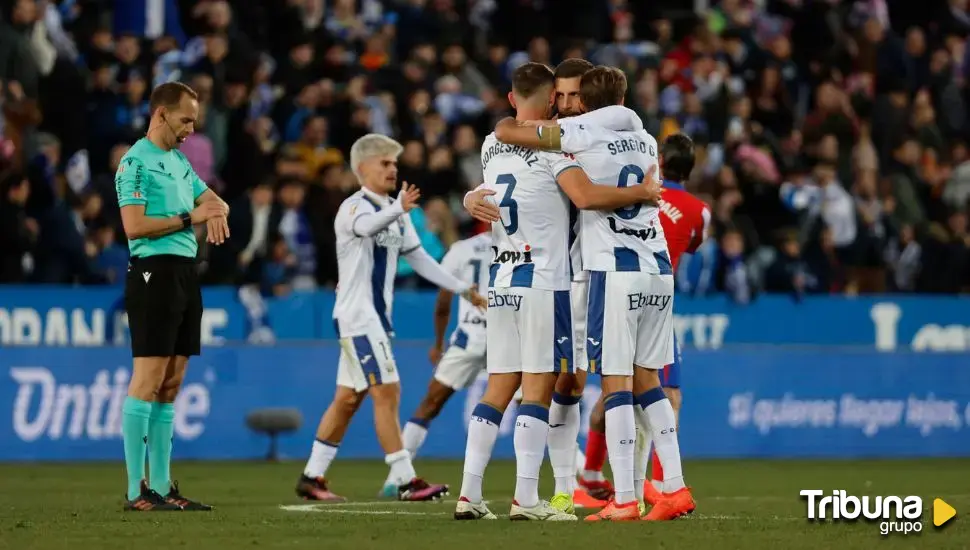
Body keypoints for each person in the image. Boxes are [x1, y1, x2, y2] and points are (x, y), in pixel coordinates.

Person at [482, 66, 696, 521]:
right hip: (654, 265)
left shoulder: (580, 132)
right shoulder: (643, 133)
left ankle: (621, 497)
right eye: (560, 95)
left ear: (586, 100)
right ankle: (661, 486)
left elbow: (510, 131)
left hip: (605, 270)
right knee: (633, 381)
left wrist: (510, 123)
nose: (566, 104)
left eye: (574, 96)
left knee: (608, 382)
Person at [295, 133, 486, 503]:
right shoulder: (355, 207)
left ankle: (311, 476)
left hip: (373, 319)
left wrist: (464, 288)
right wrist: (398, 208)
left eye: (395, 164)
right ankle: (404, 480)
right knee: (388, 391)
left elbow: (420, 260)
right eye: (385, 163)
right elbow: (366, 228)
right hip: (358, 316)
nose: (393, 169)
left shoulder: (395, 214)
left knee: (348, 399)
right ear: (362, 167)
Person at [579, 133, 710, 507]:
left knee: (615, 383)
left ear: (660, 161)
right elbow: (696, 243)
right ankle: (661, 482)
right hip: (657, 293)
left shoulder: (626, 188)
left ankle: (592, 472)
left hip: (613, 284)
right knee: (663, 392)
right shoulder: (698, 210)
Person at [116, 81, 230, 512]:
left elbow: (214, 201)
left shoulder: (179, 162)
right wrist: (191, 216)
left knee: (171, 384)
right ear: (160, 114)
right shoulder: (135, 163)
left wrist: (217, 210)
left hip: (185, 273)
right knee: (147, 380)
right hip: (152, 272)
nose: (190, 129)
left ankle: (163, 486)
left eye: (194, 122)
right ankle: (135, 490)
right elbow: (133, 227)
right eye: (185, 120)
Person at [398, 231, 491, 463]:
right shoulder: (519, 246)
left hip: (469, 336)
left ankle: (398, 476)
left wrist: (438, 344)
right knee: (534, 407)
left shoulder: (461, 249)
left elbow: (443, 302)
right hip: (506, 338)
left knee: (431, 402)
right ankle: (576, 476)